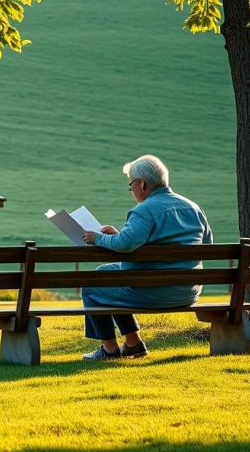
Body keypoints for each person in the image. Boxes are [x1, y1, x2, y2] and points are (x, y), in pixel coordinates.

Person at [79, 154, 212, 360]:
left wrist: (98, 239)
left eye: (130, 185)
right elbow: (207, 245)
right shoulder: (193, 208)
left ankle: (109, 349)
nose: (131, 190)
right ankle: (133, 344)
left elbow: (125, 245)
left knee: (91, 284)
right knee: (105, 274)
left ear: (142, 183)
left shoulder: (144, 210)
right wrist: (119, 236)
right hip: (188, 291)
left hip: (154, 292)